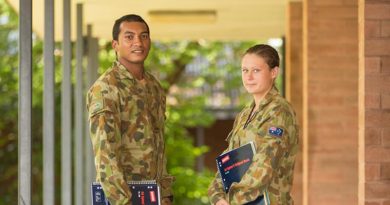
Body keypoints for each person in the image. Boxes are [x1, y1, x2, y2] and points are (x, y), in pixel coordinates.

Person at [86, 14, 174, 205]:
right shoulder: (106, 88)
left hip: (153, 196)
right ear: (115, 45)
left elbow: (159, 146)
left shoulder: (154, 87)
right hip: (122, 197)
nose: (138, 42)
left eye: (144, 36)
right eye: (129, 37)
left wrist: (165, 195)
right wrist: (122, 201)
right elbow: (105, 153)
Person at [208, 44, 299, 205]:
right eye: (245, 70)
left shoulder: (279, 111)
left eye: (256, 70)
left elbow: (265, 166)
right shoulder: (245, 114)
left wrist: (231, 200)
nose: (248, 77)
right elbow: (228, 160)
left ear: (274, 72)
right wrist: (217, 196)